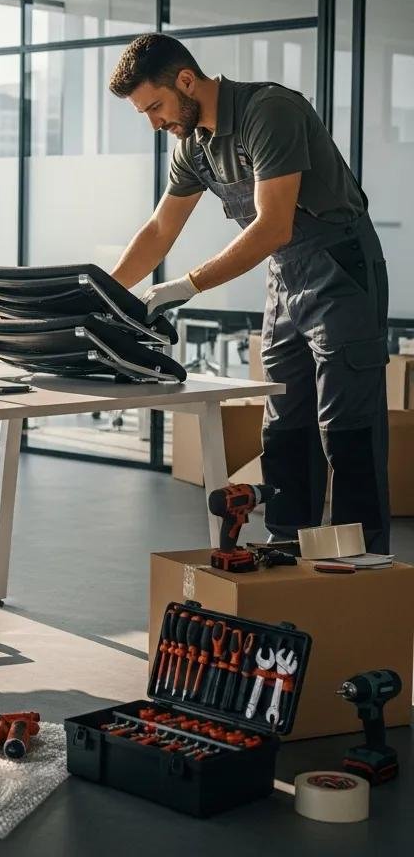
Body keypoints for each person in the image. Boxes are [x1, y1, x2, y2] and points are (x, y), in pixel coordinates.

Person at [107, 33, 390, 553]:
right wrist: (107, 295)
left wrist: (185, 285)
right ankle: (290, 547)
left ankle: (360, 560)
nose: (154, 122)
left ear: (186, 81)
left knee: (346, 427)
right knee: (283, 421)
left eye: (156, 106)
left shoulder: (269, 111)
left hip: (340, 270)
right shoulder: (192, 145)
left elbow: (272, 227)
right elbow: (159, 230)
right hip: (284, 279)